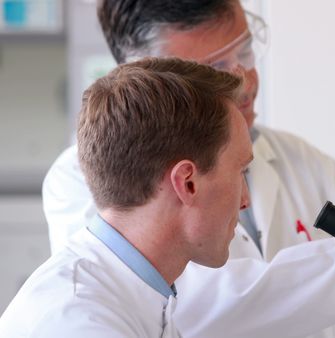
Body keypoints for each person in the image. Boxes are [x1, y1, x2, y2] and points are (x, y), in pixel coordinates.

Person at [42, 1, 335, 337]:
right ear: (148, 76)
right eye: (214, 69)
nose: (244, 81)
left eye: (245, 53)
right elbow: (188, 309)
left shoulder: (298, 162)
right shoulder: (88, 181)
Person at [0, 57, 252, 337]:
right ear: (187, 183)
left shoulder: (139, 293)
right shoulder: (79, 321)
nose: (245, 201)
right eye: (241, 170)